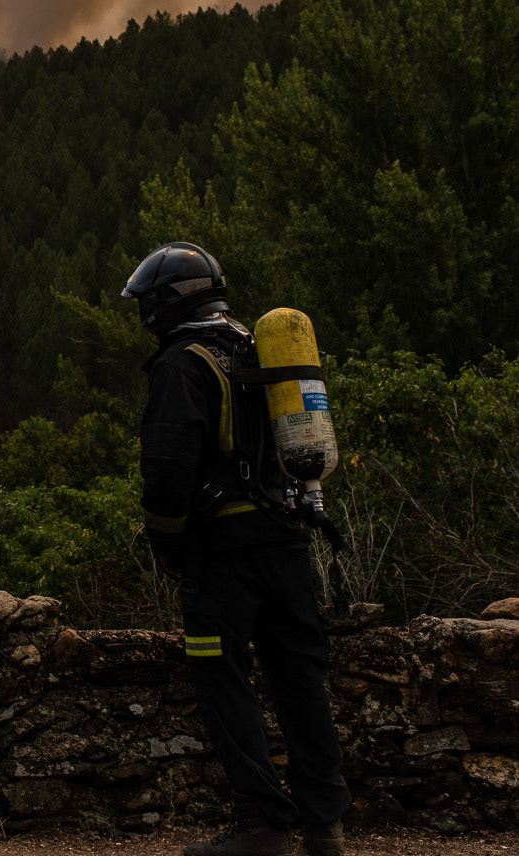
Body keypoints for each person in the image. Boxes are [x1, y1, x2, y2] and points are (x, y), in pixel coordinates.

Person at [122, 242, 349, 856]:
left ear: (167, 304)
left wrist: (168, 545)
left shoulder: (183, 363)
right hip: (289, 538)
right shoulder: (258, 348)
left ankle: (262, 825)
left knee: (222, 679)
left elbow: (167, 469)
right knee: (300, 678)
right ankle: (324, 825)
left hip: (223, 554)